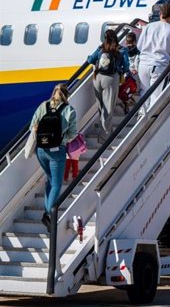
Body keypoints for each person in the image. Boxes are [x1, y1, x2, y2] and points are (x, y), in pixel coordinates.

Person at [30, 83, 77, 231]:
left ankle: (47, 211)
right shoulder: (69, 110)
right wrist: (62, 140)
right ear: (66, 95)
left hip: (41, 150)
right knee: (56, 183)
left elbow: (33, 125)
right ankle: (48, 214)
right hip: (57, 151)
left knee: (50, 181)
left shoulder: (43, 105)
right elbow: (72, 134)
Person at [137, 1, 170, 112]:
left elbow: (139, 46)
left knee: (144, 93)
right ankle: (150, 125)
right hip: (159, 67)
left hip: (143, 65)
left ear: (160, 14)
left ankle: (141, 116)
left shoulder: (148, 27)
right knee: (156, 97)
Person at [87, 30, 128, 142]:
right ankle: (104, 138)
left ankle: (106, 130)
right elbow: (126, 67)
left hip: (97, 78)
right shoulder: (121, 50)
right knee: (108, 109)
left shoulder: (101, 48)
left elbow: (90, 60)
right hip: (110, 79)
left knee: (101, 107)